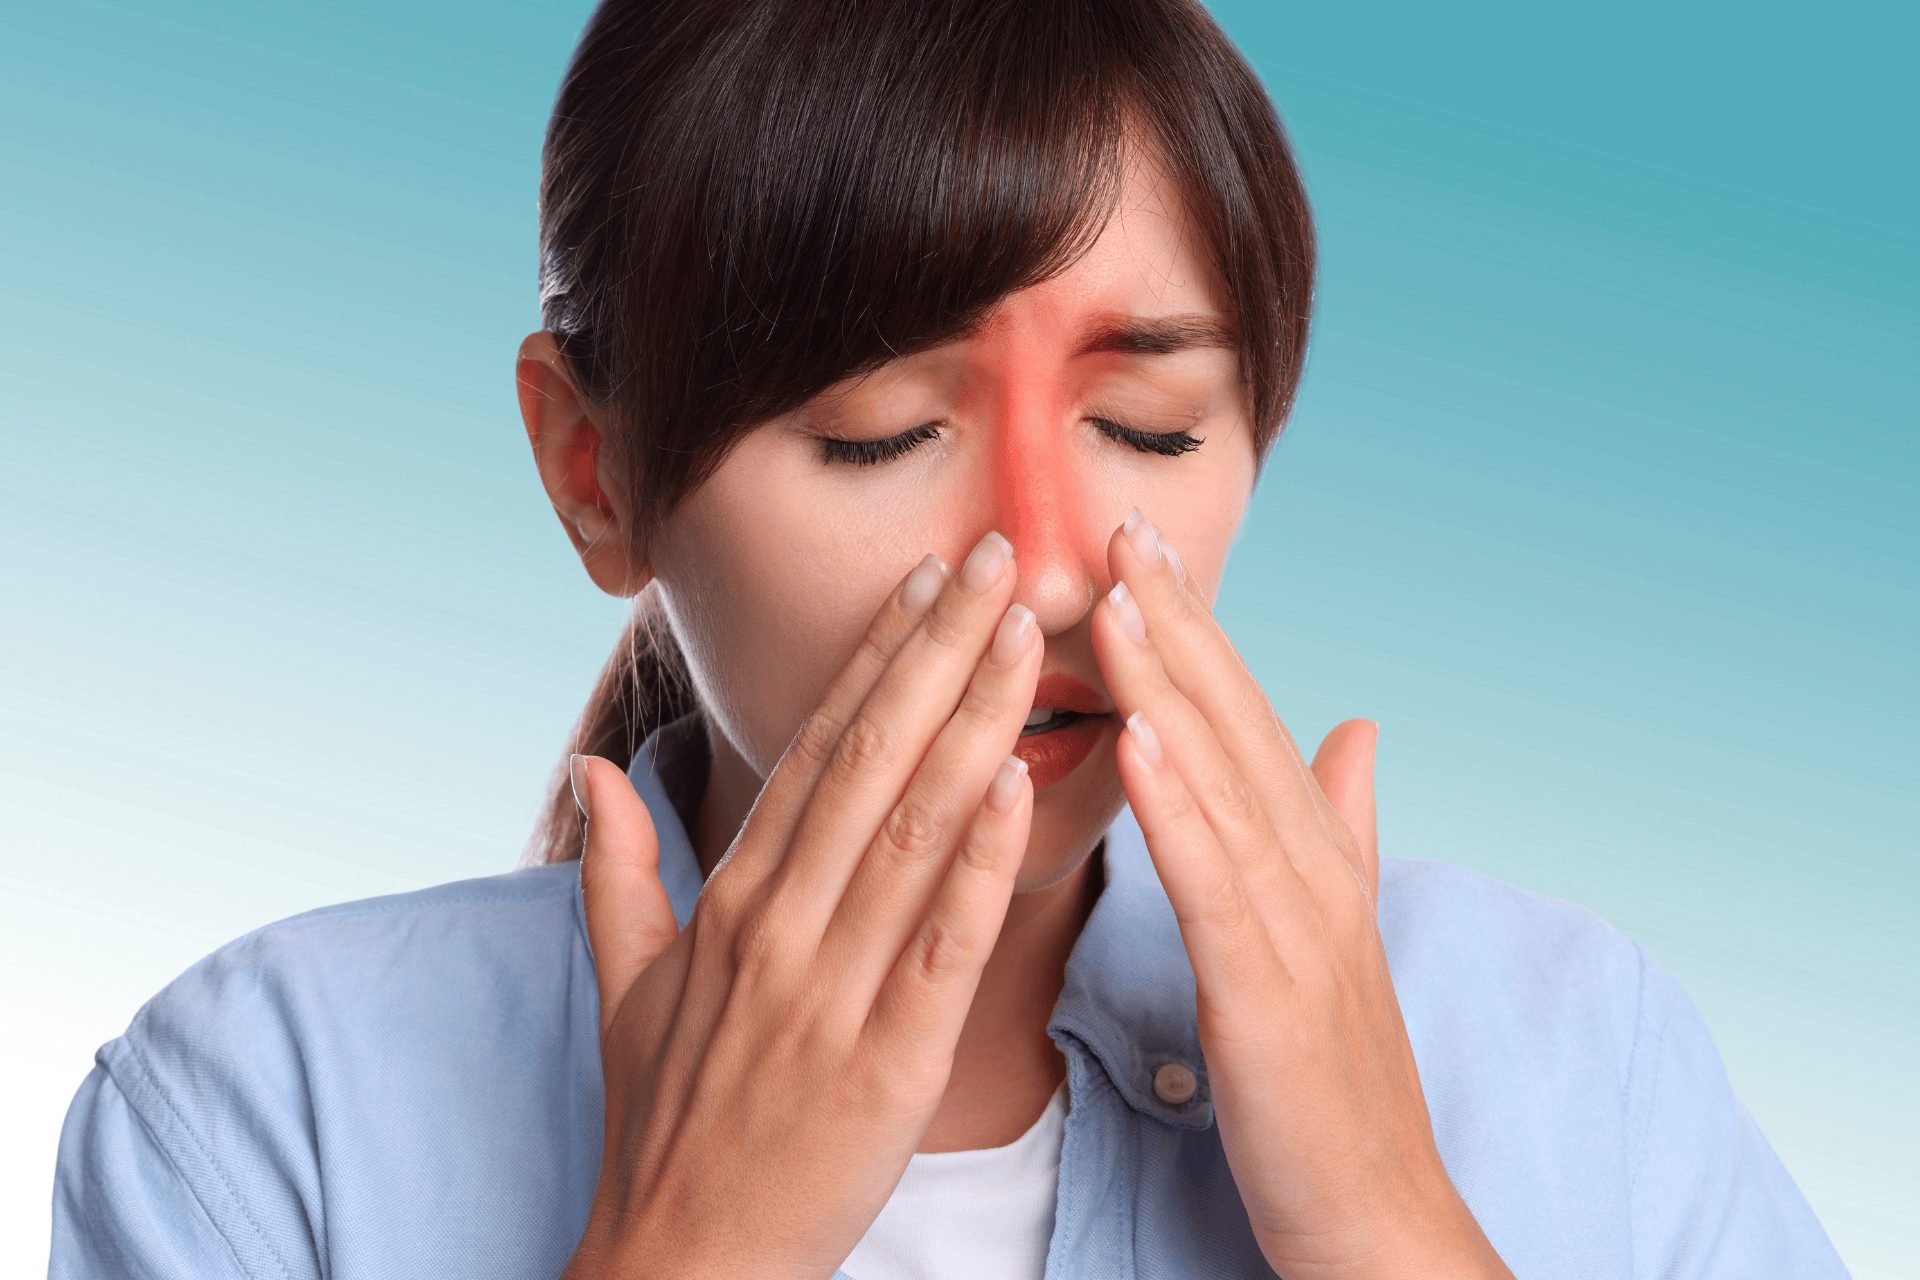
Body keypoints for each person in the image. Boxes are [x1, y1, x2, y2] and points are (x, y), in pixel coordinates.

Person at [50, 0, 1846, 1276]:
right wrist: (691, 1253)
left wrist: (1386, 1219)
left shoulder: (1566, 1053)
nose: (1050, 568)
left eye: (1148, 429)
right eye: (877, 437)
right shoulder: (265, 1112)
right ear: (597, 475)